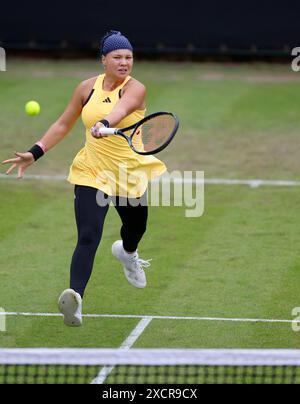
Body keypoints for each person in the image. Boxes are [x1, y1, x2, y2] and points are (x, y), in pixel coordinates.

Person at [2, 31, 166, 327]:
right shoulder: (85, 89)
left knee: (135, 228)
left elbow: (122, 109)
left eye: (128, 57)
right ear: (104, 60)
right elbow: (63, 123)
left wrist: (104, 123)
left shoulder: (136, 88)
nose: (124, 62)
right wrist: (35, 152)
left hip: (128, 174)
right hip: (91, 171)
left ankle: (128, 254)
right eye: (117, 57)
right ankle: (75, 300)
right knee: (89, 234)